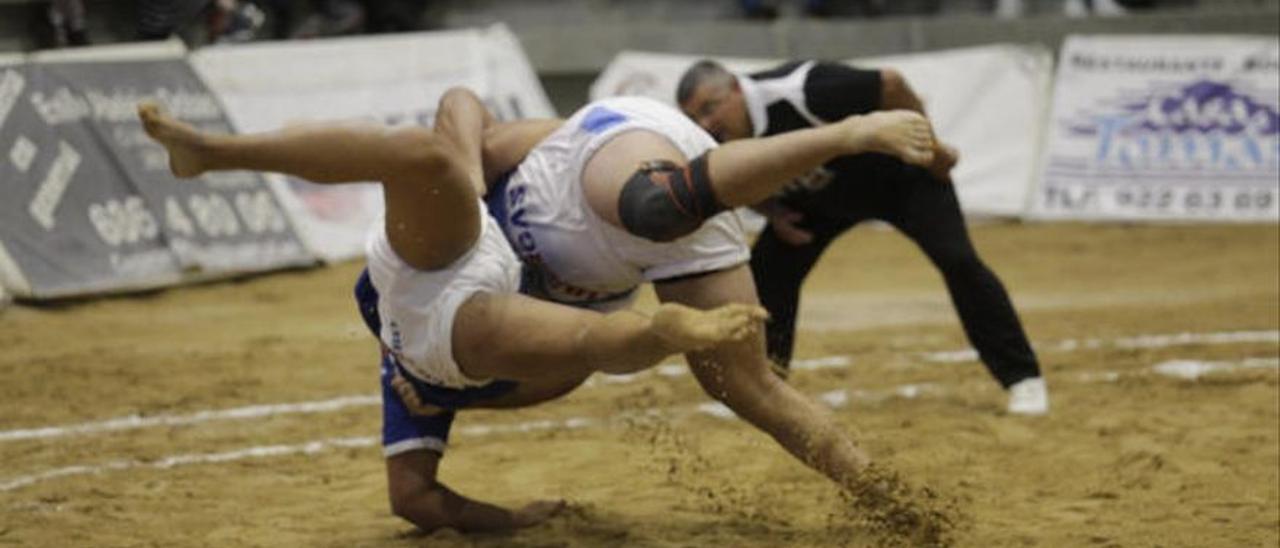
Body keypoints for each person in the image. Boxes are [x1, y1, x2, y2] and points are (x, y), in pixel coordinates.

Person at [136, 90, 769, 533]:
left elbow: (416, 500)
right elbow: (414, 498)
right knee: (587, 344)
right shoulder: (555, 154)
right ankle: (659, 333)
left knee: (420, 155)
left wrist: (465, 169)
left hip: (437, 283)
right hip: (448, 319)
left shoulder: (530, 153)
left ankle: (215, 151)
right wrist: (508, 511)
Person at [480, 93, 954, 543]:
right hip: (644, 248)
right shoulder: (476, 356)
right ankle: (893, 500)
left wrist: (471, 174)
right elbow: (562, 369)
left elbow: (467, 121)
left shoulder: (443, 247)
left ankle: (848, 134)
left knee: (655, 207)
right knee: (746, 386)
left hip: (598, 165)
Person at [675, 59, 1050, 415]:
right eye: (695, 117)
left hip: (901, 181)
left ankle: (1023, 378)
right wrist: (773, 212)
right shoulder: (711, 138)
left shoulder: (802, 89)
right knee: (766, 278)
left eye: (710, 108)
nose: (706, 123)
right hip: (818, 203)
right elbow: (730, 180)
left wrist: (931, 149)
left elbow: (891, 83)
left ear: (737, 89)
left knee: (958, 261)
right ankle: (761, 388)